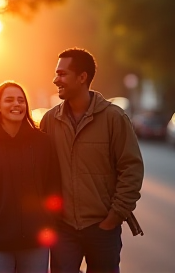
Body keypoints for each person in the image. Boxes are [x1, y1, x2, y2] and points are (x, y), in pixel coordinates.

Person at [40, 47, 144, 273]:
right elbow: (39, 171)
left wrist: (115, 216)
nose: (55, 79)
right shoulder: (49, 121)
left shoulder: (114, 118)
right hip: (63, 229)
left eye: (62, 74)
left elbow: (131, 168)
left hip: (103, 229)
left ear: (82, 77)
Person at [0, 80, 62, 273]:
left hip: (36, 243)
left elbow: (54, 189)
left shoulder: (43, 143)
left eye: (21, 100)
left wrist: (50, 223)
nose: (16, 104)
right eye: (9, 100)